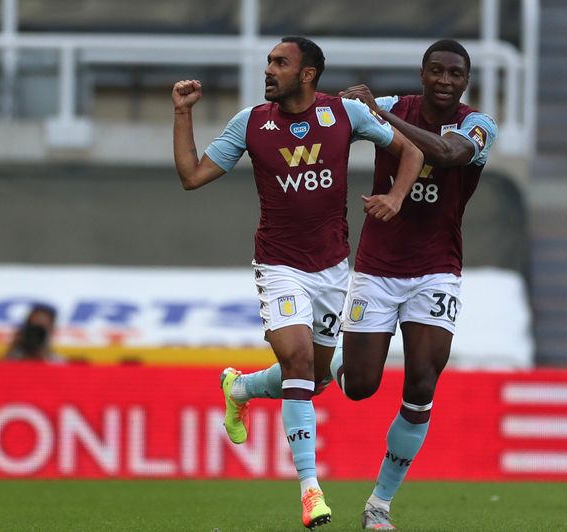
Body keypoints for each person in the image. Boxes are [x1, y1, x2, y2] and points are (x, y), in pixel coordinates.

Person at [223, 39, 497, 530]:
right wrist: (355, 109)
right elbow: (334, 110)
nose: (445, 81)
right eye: (436, 71)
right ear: (422, 73)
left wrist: (380, 116)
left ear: (466, 81)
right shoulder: (388, 107)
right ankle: (246, 385)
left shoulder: (478, 125)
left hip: (438, 268)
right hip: (375, 267)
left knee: (421, 383)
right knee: (353, 386)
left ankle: (379, 505)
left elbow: (449, 153)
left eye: (455, 74)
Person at [173, 36, 423, 530]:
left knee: (316, 378)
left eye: (280, 63)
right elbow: (191, 175)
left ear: (308, 74)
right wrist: (182, 113)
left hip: (331, 270)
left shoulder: (345, 115)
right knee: (300, 362)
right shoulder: (251, 123)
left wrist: (395, 197)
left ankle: (240, 388)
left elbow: (409, 151)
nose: (269, 70)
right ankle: (311, 491)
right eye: (269, 61)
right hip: (278, 265)